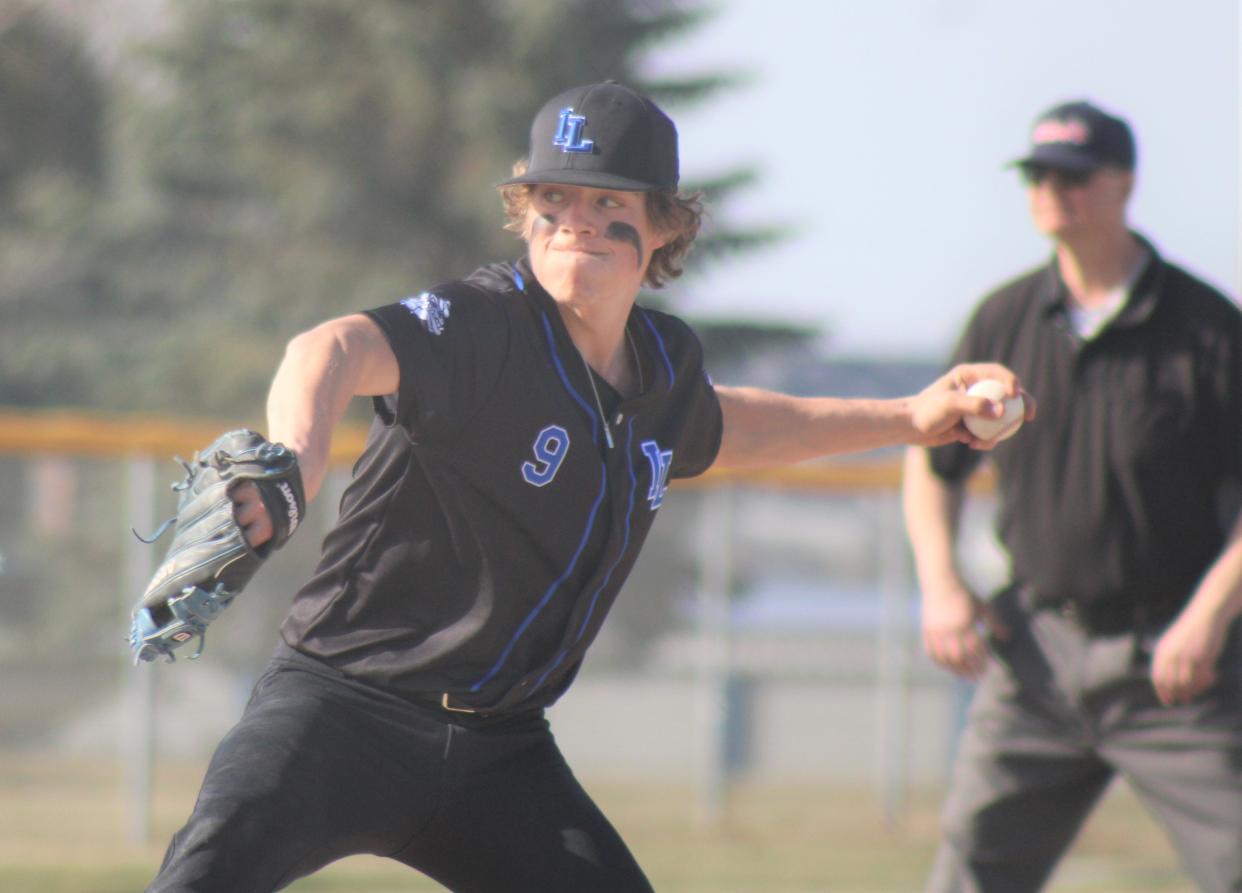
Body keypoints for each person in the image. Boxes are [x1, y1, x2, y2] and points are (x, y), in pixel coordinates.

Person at [146, 81, 1026, 893]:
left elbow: (735, 425)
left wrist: (911, 416)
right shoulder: (483, 325)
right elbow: (327, 349)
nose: (574, 223)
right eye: (552, 200)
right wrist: (297, 460)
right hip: (341, 712)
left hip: (500, 751)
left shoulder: (664, 368)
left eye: (609, 204)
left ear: (666, 228)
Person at [903, 99, 1242, 893]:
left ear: (1124, 183)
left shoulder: (1208, 329)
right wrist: (942, 585)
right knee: (970, 870)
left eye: (1075, 176)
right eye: (1039, 175)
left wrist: (1209, 616)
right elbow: (930, 463)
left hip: (1171, 659)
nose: (1053, 191)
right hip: (1037, 657)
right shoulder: (1004, 319)